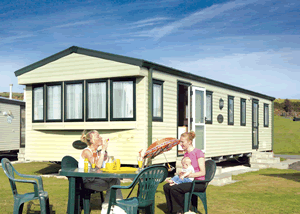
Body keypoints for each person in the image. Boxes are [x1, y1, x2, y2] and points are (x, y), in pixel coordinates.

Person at [79, 130, 125, 214]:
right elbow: (97, 166)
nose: (101, 138)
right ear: (92, 141)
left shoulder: (96, 152)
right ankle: (111, 209)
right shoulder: (87, 151)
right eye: (98, 137)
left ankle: (112, 209)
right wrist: (103, 149)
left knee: (115, 180)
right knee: (114, 183)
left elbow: (101, 167)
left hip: (95, 178)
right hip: (87, 182)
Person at [163, 131, 206, 214]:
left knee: (175, 188)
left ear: (189, 142)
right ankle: (172, 210)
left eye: (182, 142)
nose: (180, 144)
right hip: (188, 180)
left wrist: (189, 175)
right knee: (166, 186)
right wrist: (181, 173)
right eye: (180, 141)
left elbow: (203, 172)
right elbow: (186, 169)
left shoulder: (198, 153)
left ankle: (181, 211)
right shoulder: (186, 154)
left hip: (198, 183)